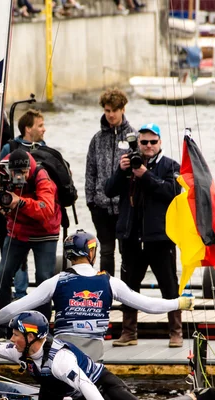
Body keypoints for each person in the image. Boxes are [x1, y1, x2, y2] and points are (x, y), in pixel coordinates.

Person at [0, 229, 194, 361]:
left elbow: (15, 308)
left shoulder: (56, 281)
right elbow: (149, 305)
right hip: (93, 359)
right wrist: (180, 302)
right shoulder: (110, 282)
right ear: (91, 252)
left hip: (62, 357)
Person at [0, 311, 138, 400]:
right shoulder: (20, 352)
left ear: (32, 337)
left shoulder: (60, 361)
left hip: (102, 385)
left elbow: (88, 387)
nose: (11, 340)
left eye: (16, 335)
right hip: (58, 390)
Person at [105, 123, 183, 347]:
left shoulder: (170, 166)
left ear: (160, 143)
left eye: (153, 142)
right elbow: (109, 191)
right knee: (128, 287)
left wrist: (145, 175)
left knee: (169, 285)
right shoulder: (127, 164)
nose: (148, 146)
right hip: (131, 237)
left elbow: (173, 192)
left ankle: (175, 332)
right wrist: (122, 171)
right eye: (144, 142)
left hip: (160, 237)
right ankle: (129, 332)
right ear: (137, 143)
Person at [0, 148, 61, 324]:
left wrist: (19, 201)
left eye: (23, 173)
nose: (19, 177)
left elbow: (46, 210)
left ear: (29, 170)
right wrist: (2, 205)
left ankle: (43, 323)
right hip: (18, 230)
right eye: (16, 173)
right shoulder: (2, 171)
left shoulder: (42, 177)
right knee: (3, 275)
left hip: (45, 231)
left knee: (44, 279)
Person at [85, 88, 135, 277]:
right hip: (101, 207)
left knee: (126, 252)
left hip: (126, 206)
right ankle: (106, 291)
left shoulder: (134, 137)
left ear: (123, 109)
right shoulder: (97, 139)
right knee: (106, 251)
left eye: (115, 110)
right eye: (107, 110)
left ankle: (125, 294)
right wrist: (91, 201)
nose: (111, 115)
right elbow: (90, 171)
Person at [0, 109, 47, 300]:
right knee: (9, 263)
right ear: (28, 128)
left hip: (35, 215)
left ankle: (24, 296)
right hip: (11, 216)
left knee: (42, 273)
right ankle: (16, 296)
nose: (44, 129)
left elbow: (47, 196)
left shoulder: (43, 149)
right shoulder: (9, 148)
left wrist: (24, 201)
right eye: (40, 125)